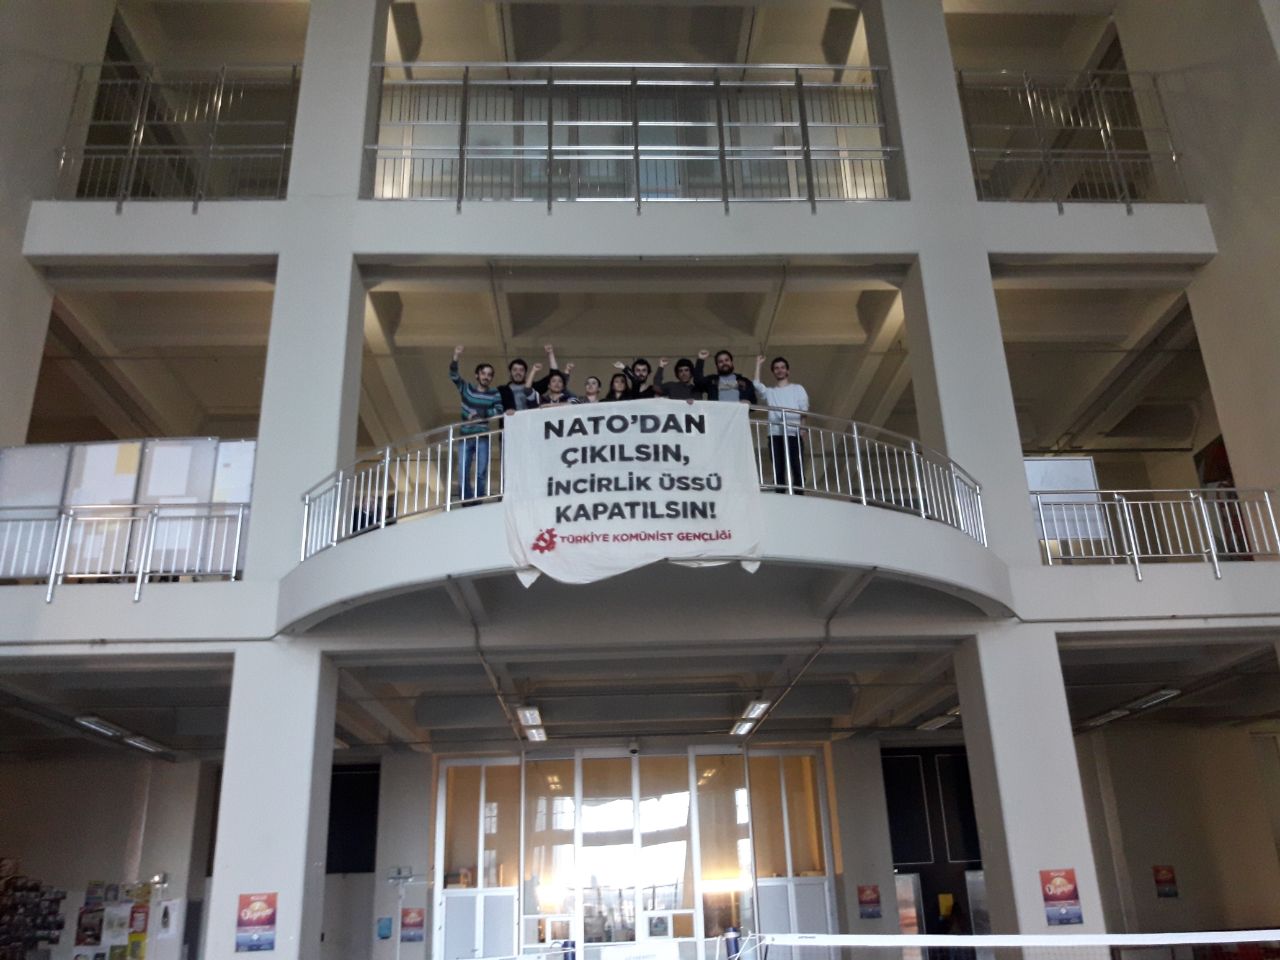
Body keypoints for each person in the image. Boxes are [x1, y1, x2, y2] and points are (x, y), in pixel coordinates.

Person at [448, 346, 504, 501]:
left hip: (483, 436)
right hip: (465, 436)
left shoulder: (494, 393)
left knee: (481, 471)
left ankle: (478, 499)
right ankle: (466, 500)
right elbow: (453, 375)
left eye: (489, 375)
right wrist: (456, 355)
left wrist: (481, 415)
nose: (486, 377)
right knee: (462, 471)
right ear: (477, 375)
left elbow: (499, 410)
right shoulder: (467, 389)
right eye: (484, 373)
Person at [753, 354, 809, 492]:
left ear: (787, 370)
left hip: (793, 432)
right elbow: (756, 385)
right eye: (776, 368)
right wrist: (758, 364)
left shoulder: (798, 388)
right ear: (773, 372)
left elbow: (804, 409)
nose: (780, 370)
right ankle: (780, 495)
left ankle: (799, 495)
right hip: (775, 434)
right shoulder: (770, 392)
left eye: (782, 367)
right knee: (778, 469)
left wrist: (803, 428)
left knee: (797, 467)